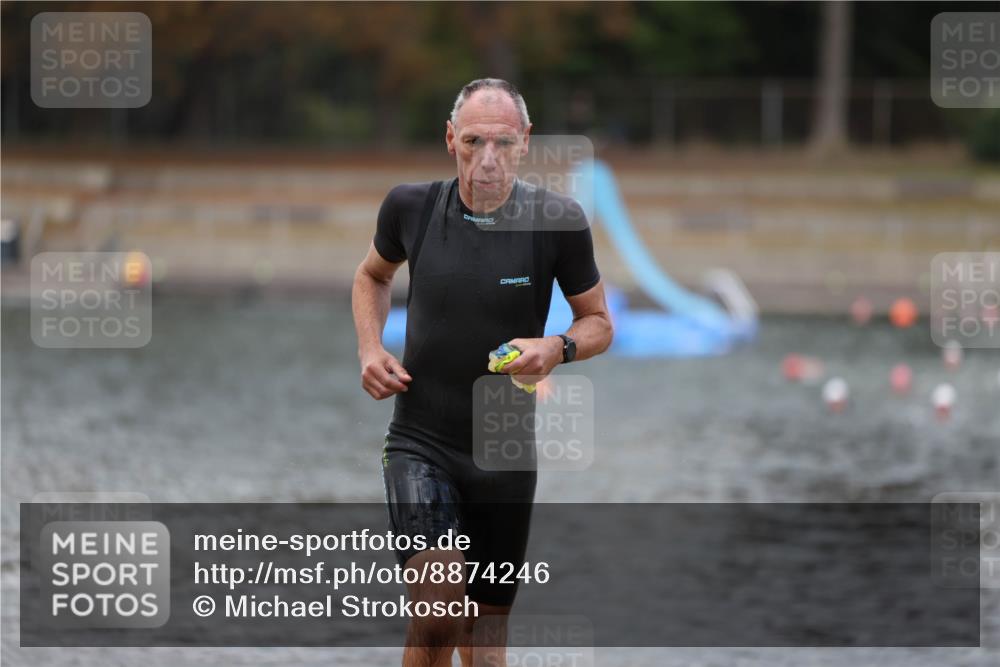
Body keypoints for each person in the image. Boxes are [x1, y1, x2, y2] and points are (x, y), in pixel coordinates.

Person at [352, 78, 613, 667]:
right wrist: (371, 348)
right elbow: (371, 276)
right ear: (450, 140)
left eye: (501, 143)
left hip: (505, 454)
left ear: (525, 143)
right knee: (441, 611)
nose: (487, 160)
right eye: (473, 142)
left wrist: (558, 347)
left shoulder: (559, 222)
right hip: (421, 440)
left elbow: (598, 321)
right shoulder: (409, 208)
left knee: (485, 638)